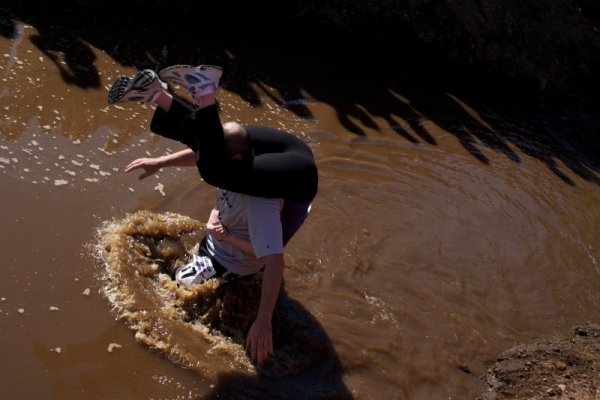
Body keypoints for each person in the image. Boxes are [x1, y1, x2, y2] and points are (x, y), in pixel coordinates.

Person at [107, 65, 318, 365]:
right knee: (210, 152)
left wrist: (263, 321)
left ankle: (202, 93)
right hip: (287, 151)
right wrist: (161, 162)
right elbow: (204, 148)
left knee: (213, 170)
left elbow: (274, 260)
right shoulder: (240, 162)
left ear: (238, 160)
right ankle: (157, 95)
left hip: (293, 182)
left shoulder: (261, 200)